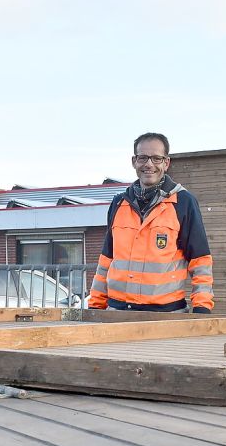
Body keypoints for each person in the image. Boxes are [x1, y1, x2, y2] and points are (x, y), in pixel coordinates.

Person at [89, 132, 214, 313]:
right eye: (143, 158)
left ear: (166, 163)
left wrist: (202, 307)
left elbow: (200, 261)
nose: (149, 164)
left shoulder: (184, 203)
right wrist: (95, 305)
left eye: (156, 158)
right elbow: (106, 261)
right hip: (117, 313)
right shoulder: (119, 203)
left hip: (166, 315)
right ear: (134, 161)